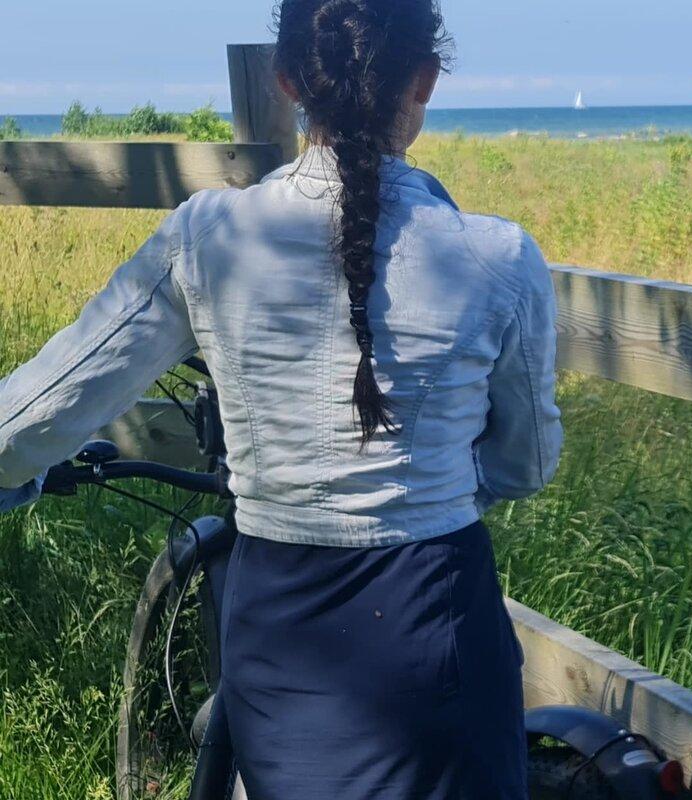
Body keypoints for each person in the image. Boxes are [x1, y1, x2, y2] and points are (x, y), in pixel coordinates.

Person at [0, 0, 561, 796]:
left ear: (289, 77)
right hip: (440, 627)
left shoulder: (208, 238)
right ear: (425, 81)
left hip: (282, 638)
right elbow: (528, 463)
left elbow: (38, 410)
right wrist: (438, 488)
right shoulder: (500, 257)